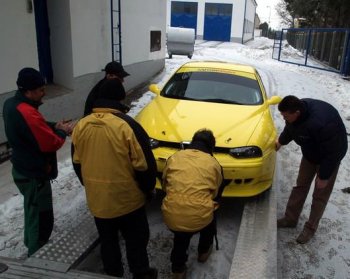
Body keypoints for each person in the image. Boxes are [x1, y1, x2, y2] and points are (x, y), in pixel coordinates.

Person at [71, 79, 158, 279]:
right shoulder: (128, 126)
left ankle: (112, 273)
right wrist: (147, 190)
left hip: (99, 202)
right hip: (128, 201)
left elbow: (78, 163)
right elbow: (145, 166)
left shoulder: (81, 126)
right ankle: (141, 273)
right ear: (121, 97)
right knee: (136, 239)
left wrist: (92, 187)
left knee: (108, 240)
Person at [2, 67, 74, 256]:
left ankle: (34, 243)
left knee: (32, 211)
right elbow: (51, 143)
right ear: (29, 91)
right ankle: (37, 255)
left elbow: (34, 128)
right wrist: (62, 131)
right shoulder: (28, 112)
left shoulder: (11, 104)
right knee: (40, 217)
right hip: (34, 174)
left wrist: (53, 125)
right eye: (41, 90)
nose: (44, 93)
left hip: (21, 167)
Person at [276, 95, 348, 244]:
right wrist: (281, 142)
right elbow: (290, 129)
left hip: (329, 159)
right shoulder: (294, 114)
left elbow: (335, 150)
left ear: (296, 113)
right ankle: (290, 219)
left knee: (320, 195)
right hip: (310, 155)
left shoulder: (323, 122)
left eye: (285, 116)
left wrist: (324, 176)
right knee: (300, 186)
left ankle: (310, 229)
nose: (283, 118)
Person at [161, 129, 224, 279]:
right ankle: (203, 251)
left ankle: (178, 269)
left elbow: (164, 184)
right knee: (210, 209)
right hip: (199, 217)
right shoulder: (214, 164)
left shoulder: (174, 157)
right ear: (211, 147)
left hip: (171, 214)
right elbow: (215, 194)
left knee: (181, 234)